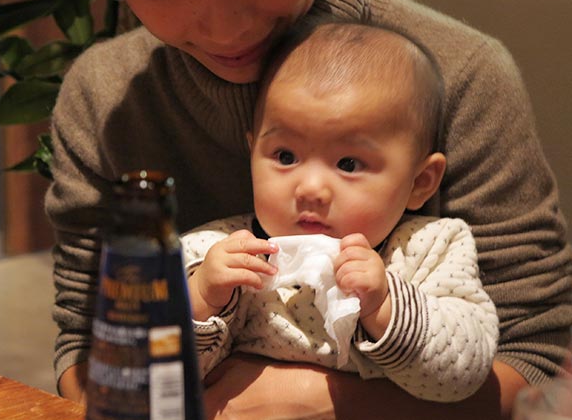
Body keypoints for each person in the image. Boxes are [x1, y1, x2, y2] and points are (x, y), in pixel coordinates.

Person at [45, 0, 572, 417]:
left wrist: (316, 400)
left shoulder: (461, 78)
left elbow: (536, 359)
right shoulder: (106, 98)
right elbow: (89, 345)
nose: (227, 25)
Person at [181, 21, 500, 403]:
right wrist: (201, 297)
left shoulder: (430, 249)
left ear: (420, 182)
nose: (311, 188)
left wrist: (384, 306)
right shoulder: (215, 254)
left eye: (349, 164)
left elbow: (464, 374)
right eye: (285, 156)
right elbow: (145, 373)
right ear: (252, 154)